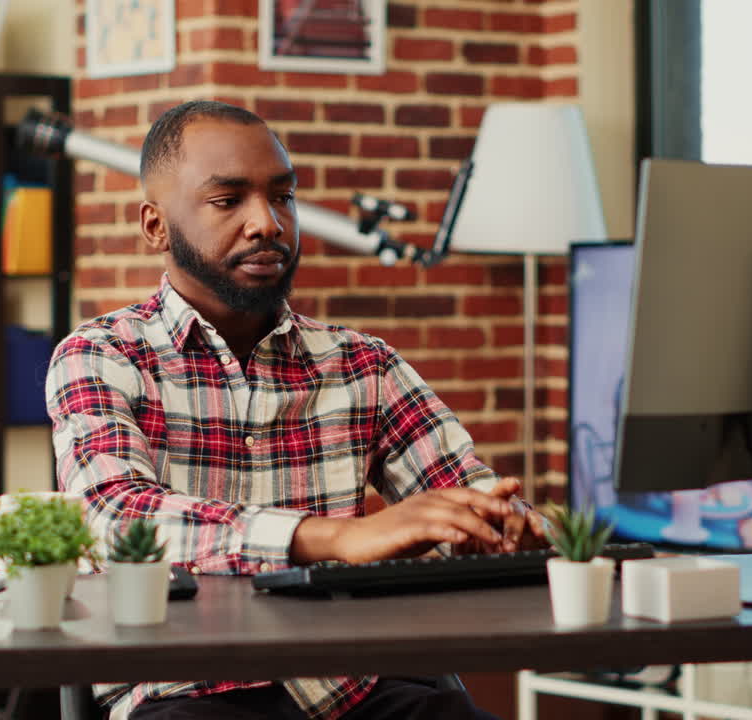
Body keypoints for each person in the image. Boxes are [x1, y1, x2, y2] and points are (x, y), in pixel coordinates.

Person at [45, 100, 549, 720]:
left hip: (354, 690)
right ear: (156, 227)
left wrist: (501, 526)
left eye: (282, 197)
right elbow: (120, 521)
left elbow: (464, 495)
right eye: (228, 201)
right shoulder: (100, 356)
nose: (268, 223)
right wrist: (341, 536)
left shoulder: (364, 364)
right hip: (184, 694)